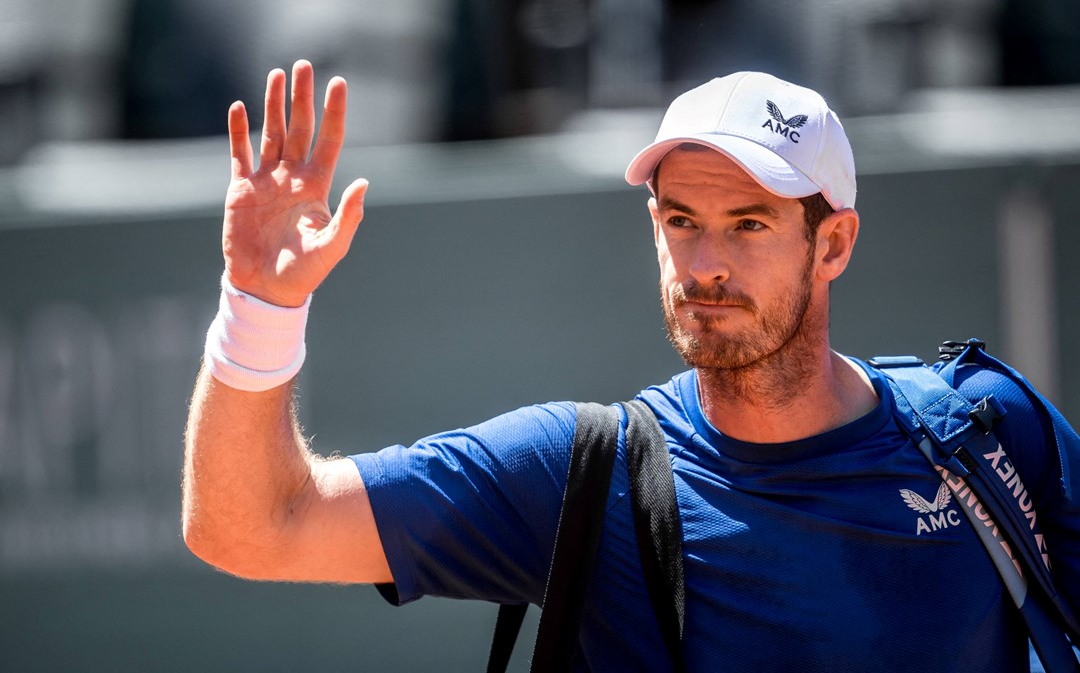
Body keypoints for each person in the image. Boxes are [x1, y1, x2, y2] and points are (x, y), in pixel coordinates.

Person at [182, 60, 1080, 671]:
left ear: (834, 242)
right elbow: (254, 526)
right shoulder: (575, 476)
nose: (705, 266)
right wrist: (261, 306)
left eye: (750, 225)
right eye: (681, 221)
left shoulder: (984, 434)